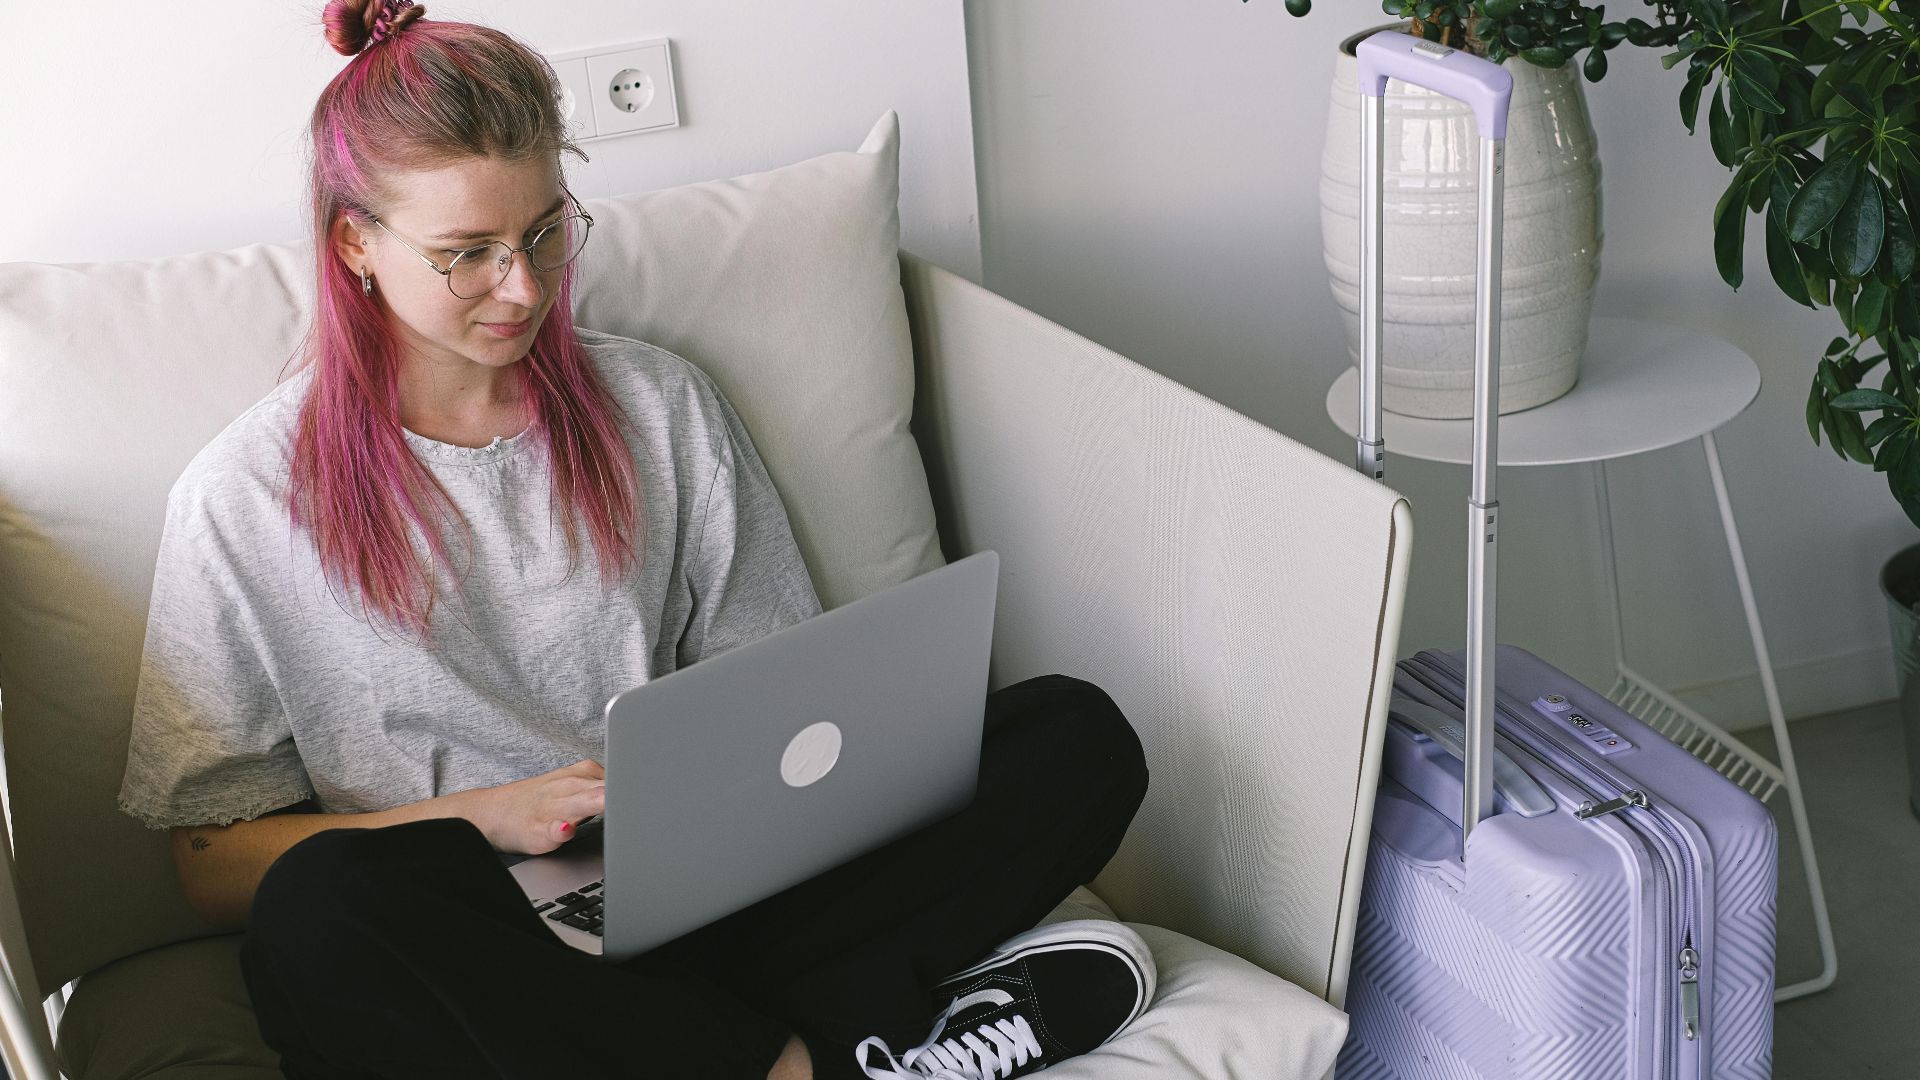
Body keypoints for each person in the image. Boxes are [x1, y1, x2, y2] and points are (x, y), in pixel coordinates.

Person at [114, 3, 1154, 1078]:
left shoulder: (658, 406)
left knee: (1075, 736)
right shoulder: (243, 499)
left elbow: (779, 701)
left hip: (705, 899)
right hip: (477, 941)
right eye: (466, 255)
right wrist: (492, 819)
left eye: (545, 232)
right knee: (316, 911)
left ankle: (761, 1045)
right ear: (355, 243)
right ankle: (837, 1052)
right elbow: (209, 861)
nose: (523, 288)